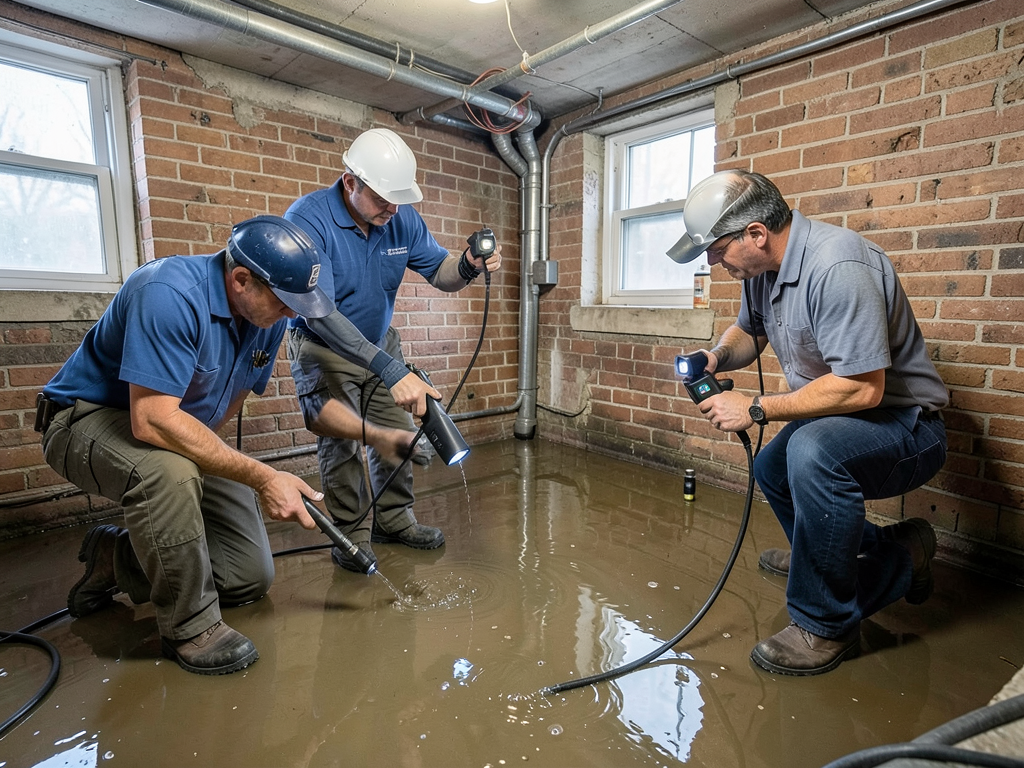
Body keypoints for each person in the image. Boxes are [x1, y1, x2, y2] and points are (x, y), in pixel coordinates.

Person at [36, 215, 404, 676]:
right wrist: (262, 475)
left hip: (167, 425)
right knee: (168, 475)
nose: (292, 315)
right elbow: (150, 419)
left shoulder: (265, 318)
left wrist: (227, 470)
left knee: (248, 575)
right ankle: (191, 629)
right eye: (286, 302)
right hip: (83, 419)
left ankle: (117, 558)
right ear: (241, 279)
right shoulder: (168, 293)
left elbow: (222, 408)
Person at [668, 170, 948, 676]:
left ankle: (829, 618)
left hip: (907, 427)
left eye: (716, 249)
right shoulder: (761, 271)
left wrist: (755, 408)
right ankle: (824, 561)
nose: (712, 262)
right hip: (848, 415)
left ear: (756, 233)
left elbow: (865, 388)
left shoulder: (838, 267)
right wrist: (716, 357)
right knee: (774, 468)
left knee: (810, 452)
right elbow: (748, 333)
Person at [284, 127, 502, 573]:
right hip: (324, 347)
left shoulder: (398, 218)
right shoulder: (309, 220)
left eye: (399, 199)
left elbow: (441, 272)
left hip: (380, 342)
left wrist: (467, 265)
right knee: (342, 439)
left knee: (396, 427)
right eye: (383, 198)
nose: (393, 208)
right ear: (350, 182)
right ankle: (352, 534)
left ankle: (394, 520)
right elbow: (319, 312)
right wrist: (389, 368)